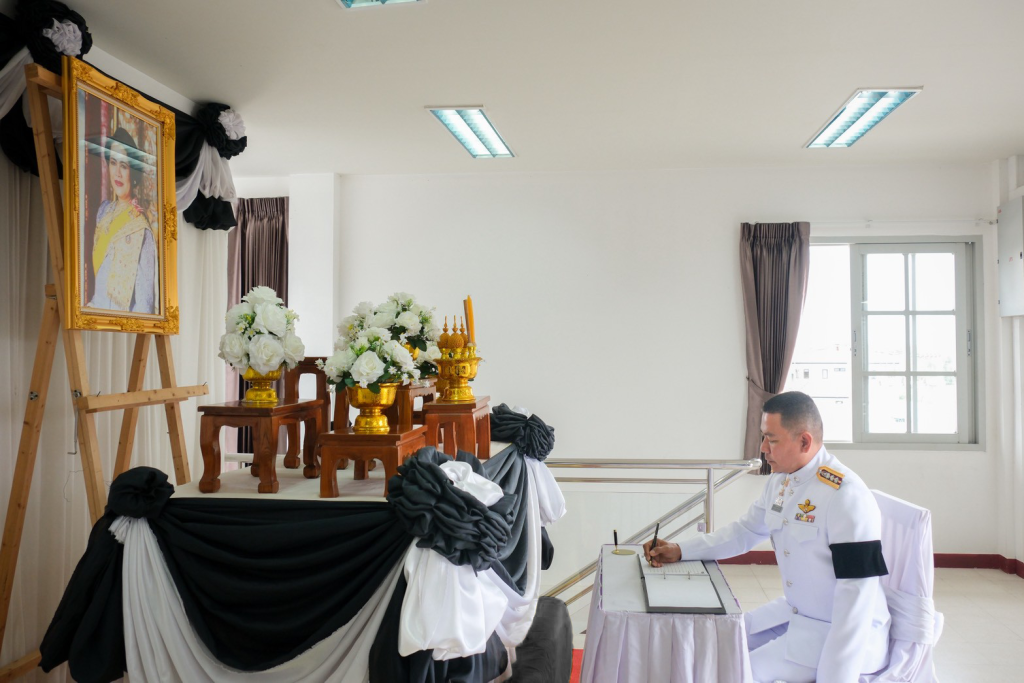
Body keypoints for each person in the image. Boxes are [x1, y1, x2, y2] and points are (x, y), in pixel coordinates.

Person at [645, 391, 890, 683]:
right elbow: (745, 530)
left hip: (837, 632)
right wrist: (681, 550)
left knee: (737, 673)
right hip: (797, 613)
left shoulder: (846, 496)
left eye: (771, 440)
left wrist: (836, 677)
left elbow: (857, 598)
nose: (763, 448)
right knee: (715, 643)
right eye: (763, 437)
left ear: (804, 441)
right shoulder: (781, 481)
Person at [87, 126, 157, 314]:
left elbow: (144, 305)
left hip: (121, 322)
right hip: (96, 314)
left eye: (124, 166)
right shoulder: (103, 211)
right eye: (113, 163)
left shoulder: (141, 230)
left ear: (133, 174)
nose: (117, 173)